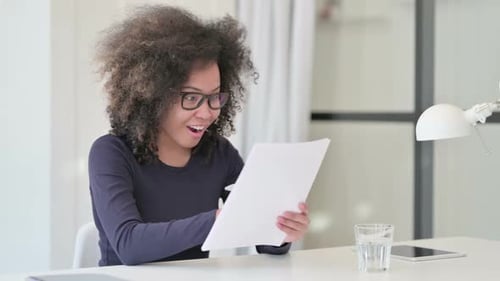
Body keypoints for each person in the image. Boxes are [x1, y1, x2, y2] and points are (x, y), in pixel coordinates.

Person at [89, 5, 310, 266]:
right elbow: (130, 246)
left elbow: (264, 240)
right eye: (191, 98)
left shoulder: (219, 153)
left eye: (214, 97)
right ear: (153, 96)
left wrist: (282, 231)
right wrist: (219, 220)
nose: (207, 113)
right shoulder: (111, 153)